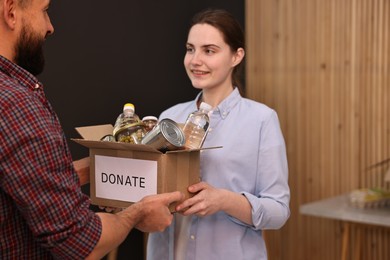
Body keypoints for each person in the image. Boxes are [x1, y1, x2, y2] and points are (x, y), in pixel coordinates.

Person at [0, 0, 183, 259]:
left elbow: (24, 181)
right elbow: (80, 243)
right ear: (10, 12)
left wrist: (100, 169)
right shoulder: (17, 105)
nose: (50, 27)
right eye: (44, 11)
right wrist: (136, 214)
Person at [147, 8, 290, 260]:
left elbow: (278, 211)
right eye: (190, 49)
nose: (195, 60)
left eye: (209, 51)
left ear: (237, 56)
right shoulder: (169, 118)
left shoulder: (262, 120)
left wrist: (224, 200)